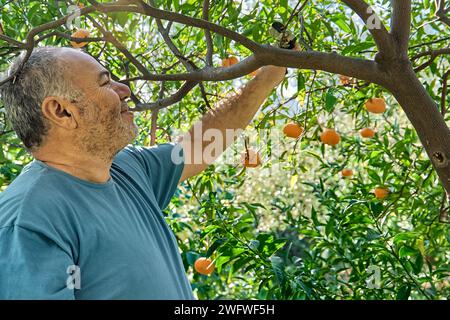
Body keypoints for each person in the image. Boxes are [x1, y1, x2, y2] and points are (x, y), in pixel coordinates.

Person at [0, 46, 286, 299]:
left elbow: (201, 146)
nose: (124, 89)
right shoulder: (29, 221)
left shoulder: (129, 168)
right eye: (105, 82)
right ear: (62, 111)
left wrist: (269, 75)